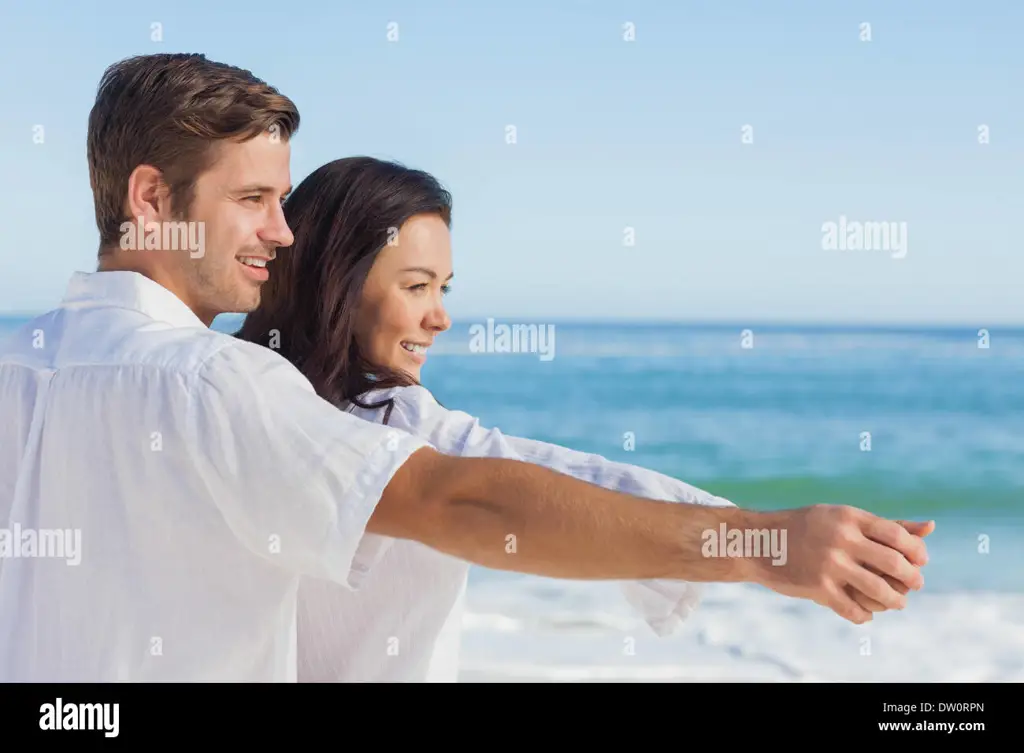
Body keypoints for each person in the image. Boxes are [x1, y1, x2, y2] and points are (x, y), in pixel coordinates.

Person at [0, 53, 930, 683]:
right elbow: (466, 497)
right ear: (152, 198)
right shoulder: (213, 387)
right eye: (251, 199)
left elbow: (522, 470)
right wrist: (762, 544)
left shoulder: (19, 368)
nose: (278, 233)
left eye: (283, 202)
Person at [233, 156, 935, 681]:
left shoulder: (220, 397)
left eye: (443, 288)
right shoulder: (400, 426)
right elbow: (535, 487)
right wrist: (768, 543)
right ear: (337, 283)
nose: (440, 315)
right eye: (416, 286)